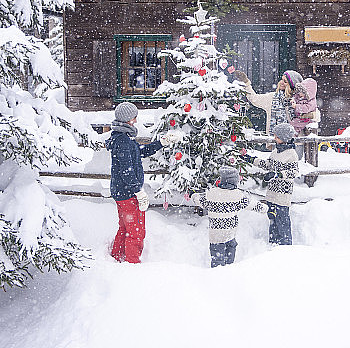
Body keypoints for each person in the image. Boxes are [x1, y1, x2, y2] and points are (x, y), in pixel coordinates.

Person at [105, 101, 174, 263]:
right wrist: (138, 191)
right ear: (126, 119)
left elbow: (140, 152)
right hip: (128, 193)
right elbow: (126, 171)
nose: (136, 120)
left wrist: (161, 142)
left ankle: (116, 257)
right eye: (133, 117)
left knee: (125, 227)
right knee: (136, 231)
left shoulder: (123, 138)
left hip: (121, 192)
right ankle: (132, 263)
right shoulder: (123, 141)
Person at [191, 166, 268, 267]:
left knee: (217, 263)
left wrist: (193, 195)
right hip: (230, 234)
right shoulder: (237, 195)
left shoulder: (212, 194)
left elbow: (198, 200)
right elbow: (252, 204)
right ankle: (229, 272)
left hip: (216, 236)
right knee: (230, 263)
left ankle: (217, 274)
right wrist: (264, 208)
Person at [246, 123, 299, 245]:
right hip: (272, 193)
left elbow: (294, 172)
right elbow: (268, 165)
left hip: (282, 195)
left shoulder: (291, 154)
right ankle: (273, 244)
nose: (275, 138)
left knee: (282, 221)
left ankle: (285, 245)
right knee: (272, 219)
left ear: (284, 138)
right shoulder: (276, 151)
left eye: (277, 137)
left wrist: (278, 174)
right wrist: (251, 159)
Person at [235, 69, 303, 135]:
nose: (281, 82)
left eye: (285, 81)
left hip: (295, 140)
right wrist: (246, 82)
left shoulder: (300, 101)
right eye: (282, 79)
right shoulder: (272, 97)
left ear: (292, 85)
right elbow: (254, 98)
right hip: (273, 140)